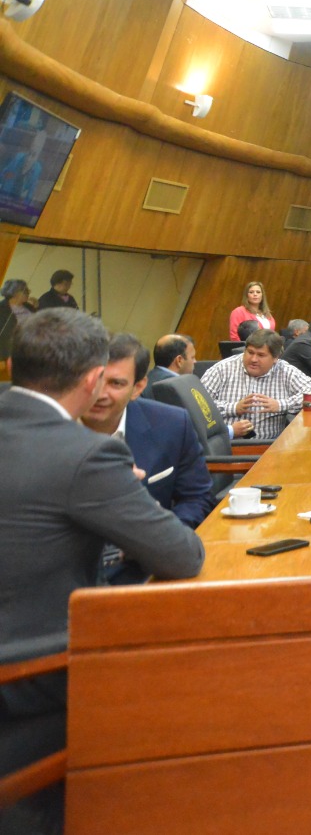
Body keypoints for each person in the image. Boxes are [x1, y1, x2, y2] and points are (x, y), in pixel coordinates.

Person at [0, 311, 205, 726]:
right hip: (32, 682)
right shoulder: (88, 455)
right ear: (92, 379)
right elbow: (184, 556)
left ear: (9, 367)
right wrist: (120, 492)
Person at [81, 335, 212, 566]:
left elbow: (196, 496)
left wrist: (164, 537)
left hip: (143, 566)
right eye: (94, 380)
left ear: (138, 387)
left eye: (116, 383)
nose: (100, 394)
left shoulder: (171, 424)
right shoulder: (43, 431)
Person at [202, 329, 311, 441]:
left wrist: (281, 405)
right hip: (227, 445)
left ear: (275, 358)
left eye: (261, 355)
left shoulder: (284, 370)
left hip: (269, 448)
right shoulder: (222, 369)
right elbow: (197, 406)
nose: (253, 359)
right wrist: (234, 408)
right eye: (250, 352)